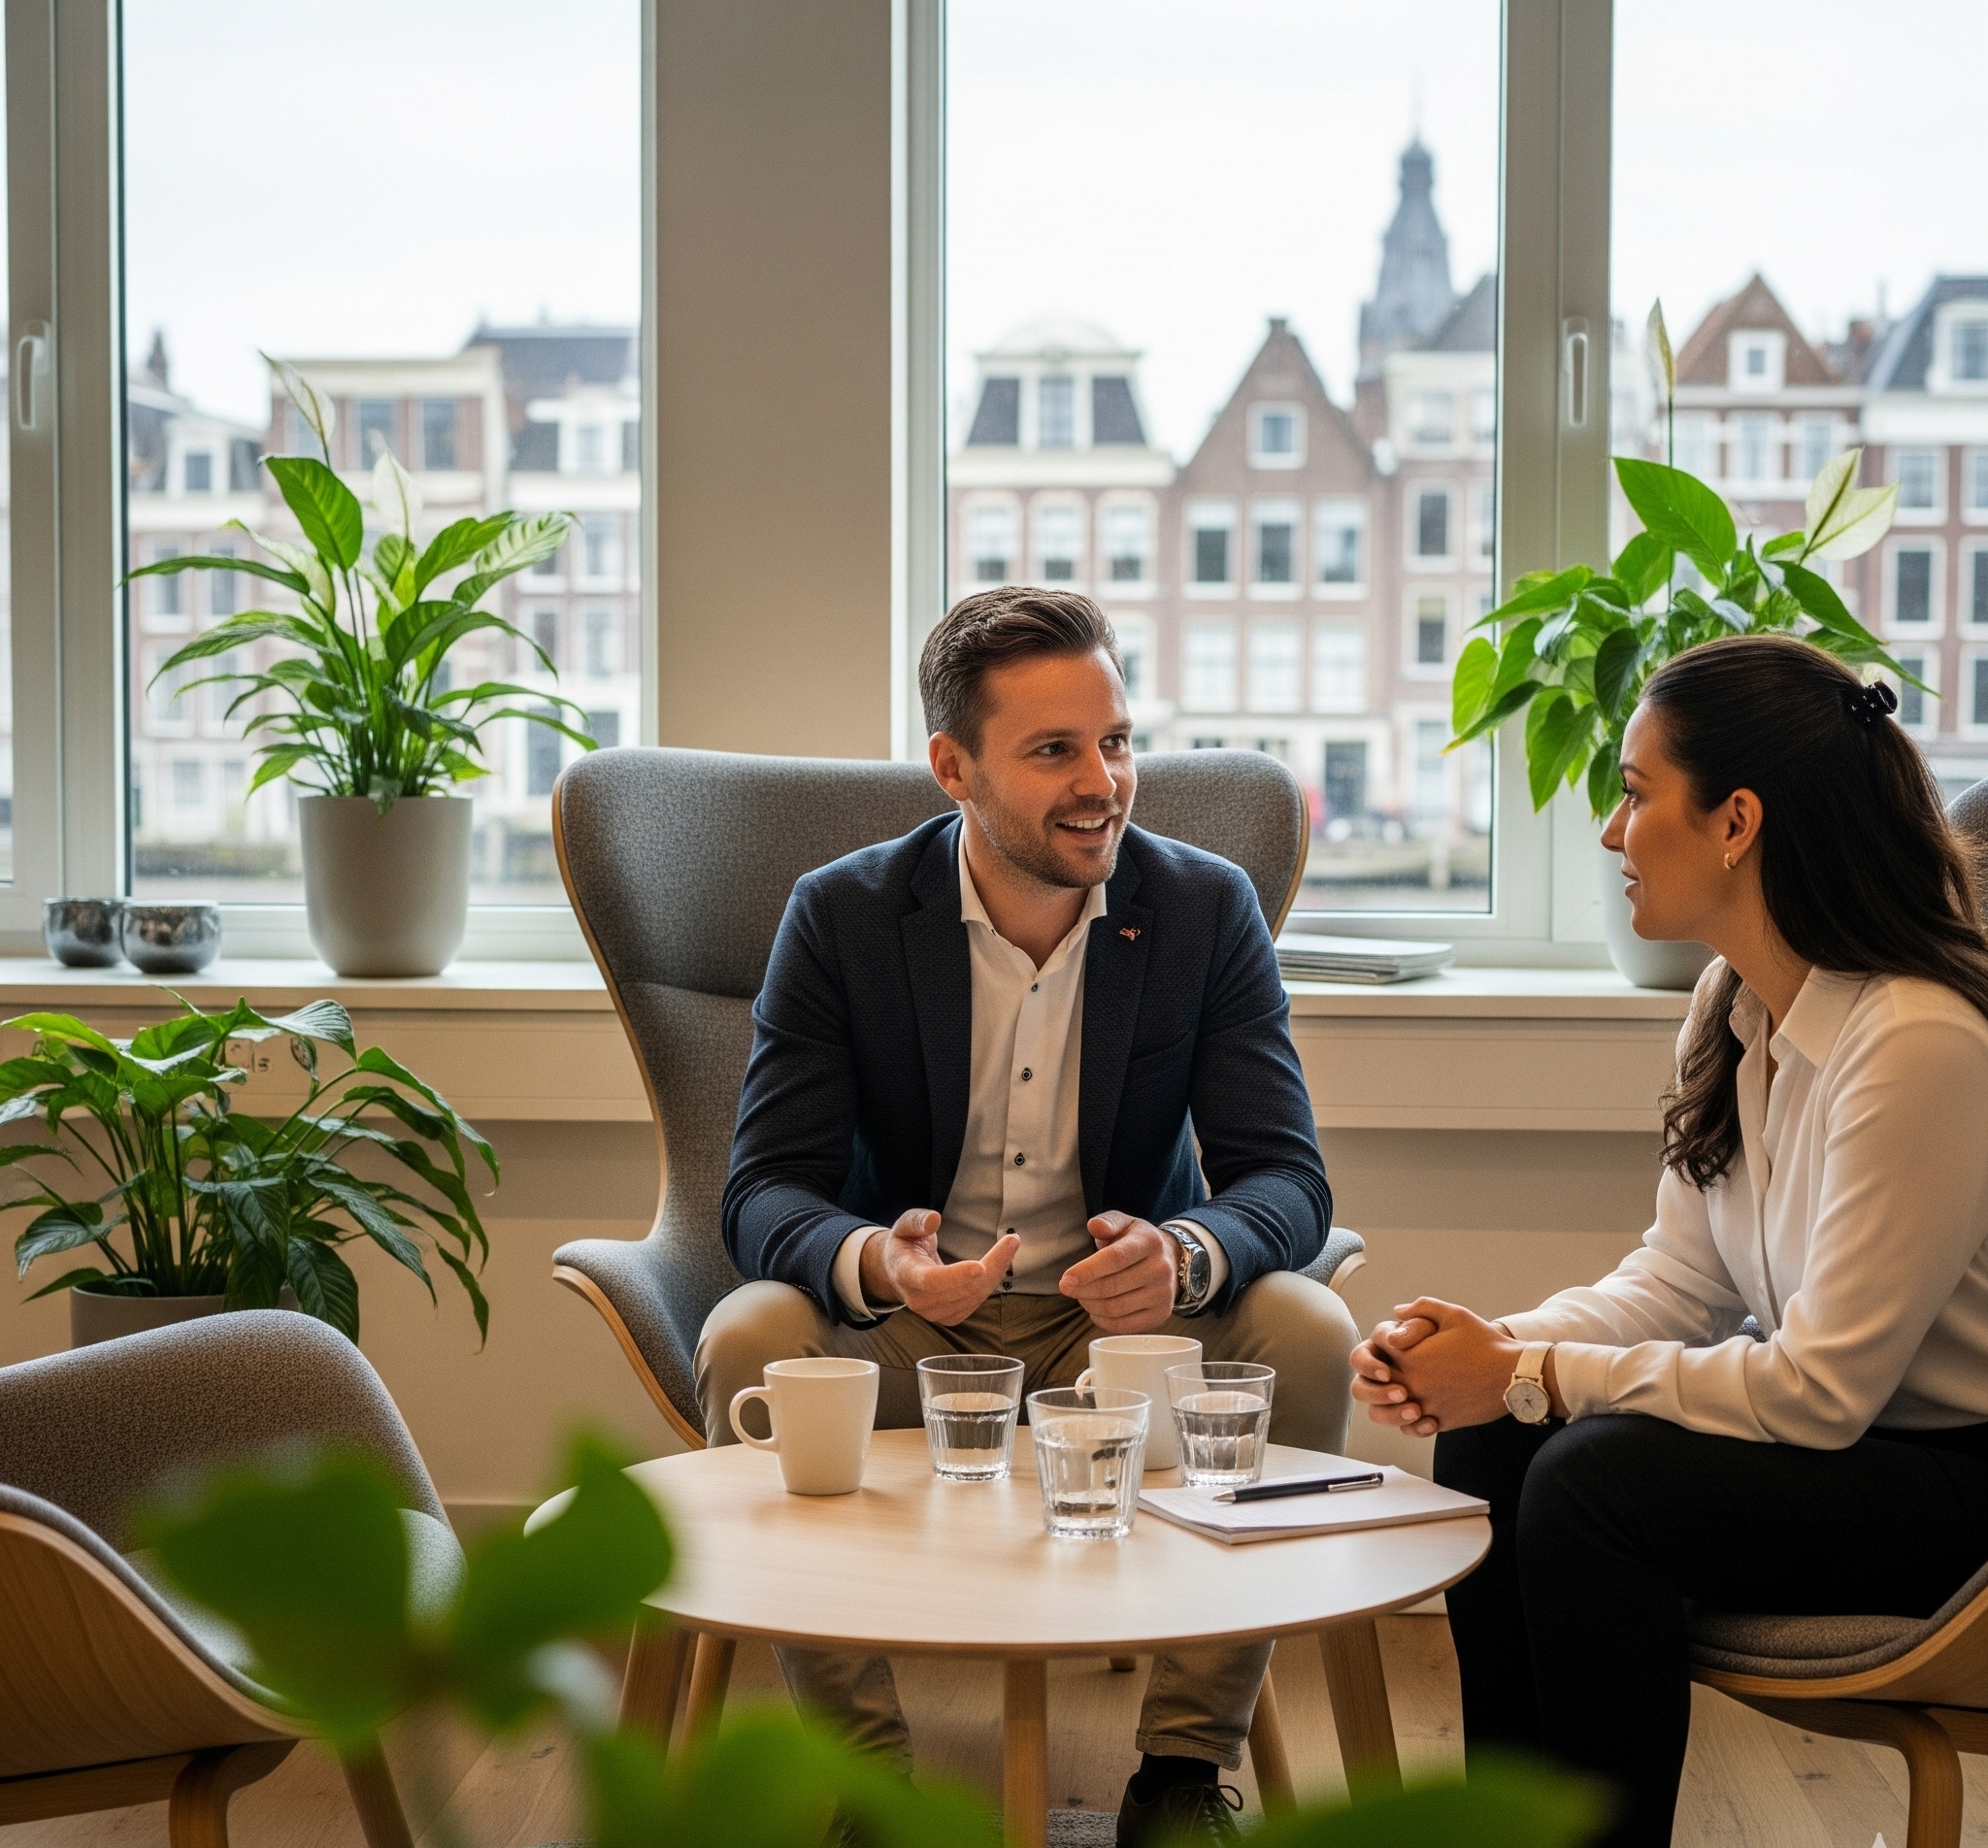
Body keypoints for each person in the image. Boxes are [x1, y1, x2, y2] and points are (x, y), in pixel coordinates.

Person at [698, 584, 1358, 1845]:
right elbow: (759, 1191)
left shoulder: (1204, 907)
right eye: (1053, 750)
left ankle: (1180, 1771)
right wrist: (874, 1265)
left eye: (1115, 741)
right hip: (914, 1334)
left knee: (1311, 1327)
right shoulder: (841, 916)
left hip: (1118, 1342)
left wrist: (1188, 1255)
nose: (1101, 781)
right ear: (954, 766)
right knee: (746, 1334)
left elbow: (1289, 1179)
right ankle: (870, 1789)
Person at [1348, 633, 1988, 1845]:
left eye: (1635, 794)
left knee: (1594, 1479)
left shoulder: (1916, 1041)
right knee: (1497, 1444)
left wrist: (1530, 1373)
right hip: (1849, 1452)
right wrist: (1492, 1350)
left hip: (1954, 1480)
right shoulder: (1730, 999)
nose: (1607, 831)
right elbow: (1680, 1277)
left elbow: (1821, 1388)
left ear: (1735, 820)